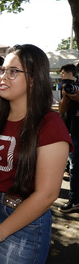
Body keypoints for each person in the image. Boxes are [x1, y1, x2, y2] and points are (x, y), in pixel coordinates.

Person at [0, 44, 73, 264]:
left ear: (34, 80)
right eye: (2, 70)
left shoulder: (50, 124)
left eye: (13, 71)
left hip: (25, 223)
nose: (3, 77)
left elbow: (47, 194)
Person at [58, 64, 79, 212]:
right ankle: (74, 200)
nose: (61, 76)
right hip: (73, 131)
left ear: (70, 73)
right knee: (74, 168)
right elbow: (62, 109)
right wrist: (66, 95)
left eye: (63, 73)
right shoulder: (66, 87)